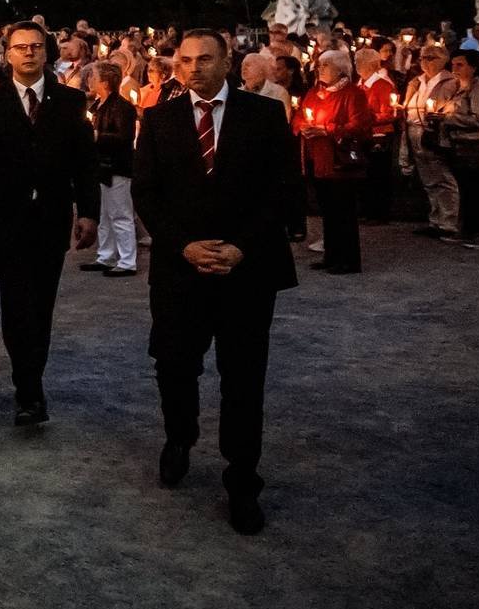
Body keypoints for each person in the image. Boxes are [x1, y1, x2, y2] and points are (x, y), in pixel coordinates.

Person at [131, 29, 300, 537]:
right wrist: (183, 244)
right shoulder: (159, 119)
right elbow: (147, 193)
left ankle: (243, 480)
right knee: (174, 364)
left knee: (243, 378)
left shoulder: (263, 115)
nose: (194, 68)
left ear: (228, 62)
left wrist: (242, 246)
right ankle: (179, 435)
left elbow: (283, 190)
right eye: (185, 61)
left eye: (205, 59)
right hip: (180, 271)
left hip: (245, 271)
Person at [0, 20, 99, 425]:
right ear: (7, 54)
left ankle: (32, 377)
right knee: (17, 303)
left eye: (36, 46)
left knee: (42, 305)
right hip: (8, 220)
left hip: (51, 219)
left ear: (46, 52)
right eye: (20, 47)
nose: (29, 53)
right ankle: (29, 389)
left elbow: (85, 163)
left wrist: (89, 212)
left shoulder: (71, 101)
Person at [294, 51, 371, 275]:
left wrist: (327, 129)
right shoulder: (315, 92)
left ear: (341, 69)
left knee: (343, 212)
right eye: (319, 65)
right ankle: (331, 255)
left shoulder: (353, 93)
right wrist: (302, 127)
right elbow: (300, 115)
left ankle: (348, 260)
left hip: (339, 163)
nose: (320, 69)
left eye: (325, 65)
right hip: (317, 161)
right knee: (327, 212)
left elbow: (360, 126)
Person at [396, 47, 460, 240]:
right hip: (413, 131)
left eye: (431, 58)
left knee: (443, 177)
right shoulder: (416, 81)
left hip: (433, 133)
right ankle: (435, 220)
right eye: (423, 57)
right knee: (428, 178)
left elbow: (451, 108)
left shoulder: (450, 82)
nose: (426, 61)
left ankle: (448, 222)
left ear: (444, 60)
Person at [83, 62, 140, 278]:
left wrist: (97, 136)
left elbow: (125, 137)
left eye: (93, 77)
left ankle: (127, 261)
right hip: (102, 167)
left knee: (120, 214)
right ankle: (106, 255)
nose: (89, 80)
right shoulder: (99, 105)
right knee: (104, 214)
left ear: (105, 82)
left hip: (117, 167)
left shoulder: (122, 107)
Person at [439, 52, 479, 247]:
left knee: (478, 191)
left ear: (473, 67)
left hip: (476, 147)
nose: (455, 69)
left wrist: (448, 119)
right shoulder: (458, 89)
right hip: (460, 146)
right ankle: (468, 229)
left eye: (460, 65)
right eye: (453, 65)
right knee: (466, 191)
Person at [356, 48, 400, 223]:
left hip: (380, 135)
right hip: (364, 135)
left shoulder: (383, 85)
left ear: (372, 65)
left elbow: (390, 113)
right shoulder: (360, 84)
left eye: (360, 62)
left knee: (378, 175)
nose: (357, 65)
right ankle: (368, 210)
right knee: (366, 175)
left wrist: (367, 118)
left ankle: (380, 213)